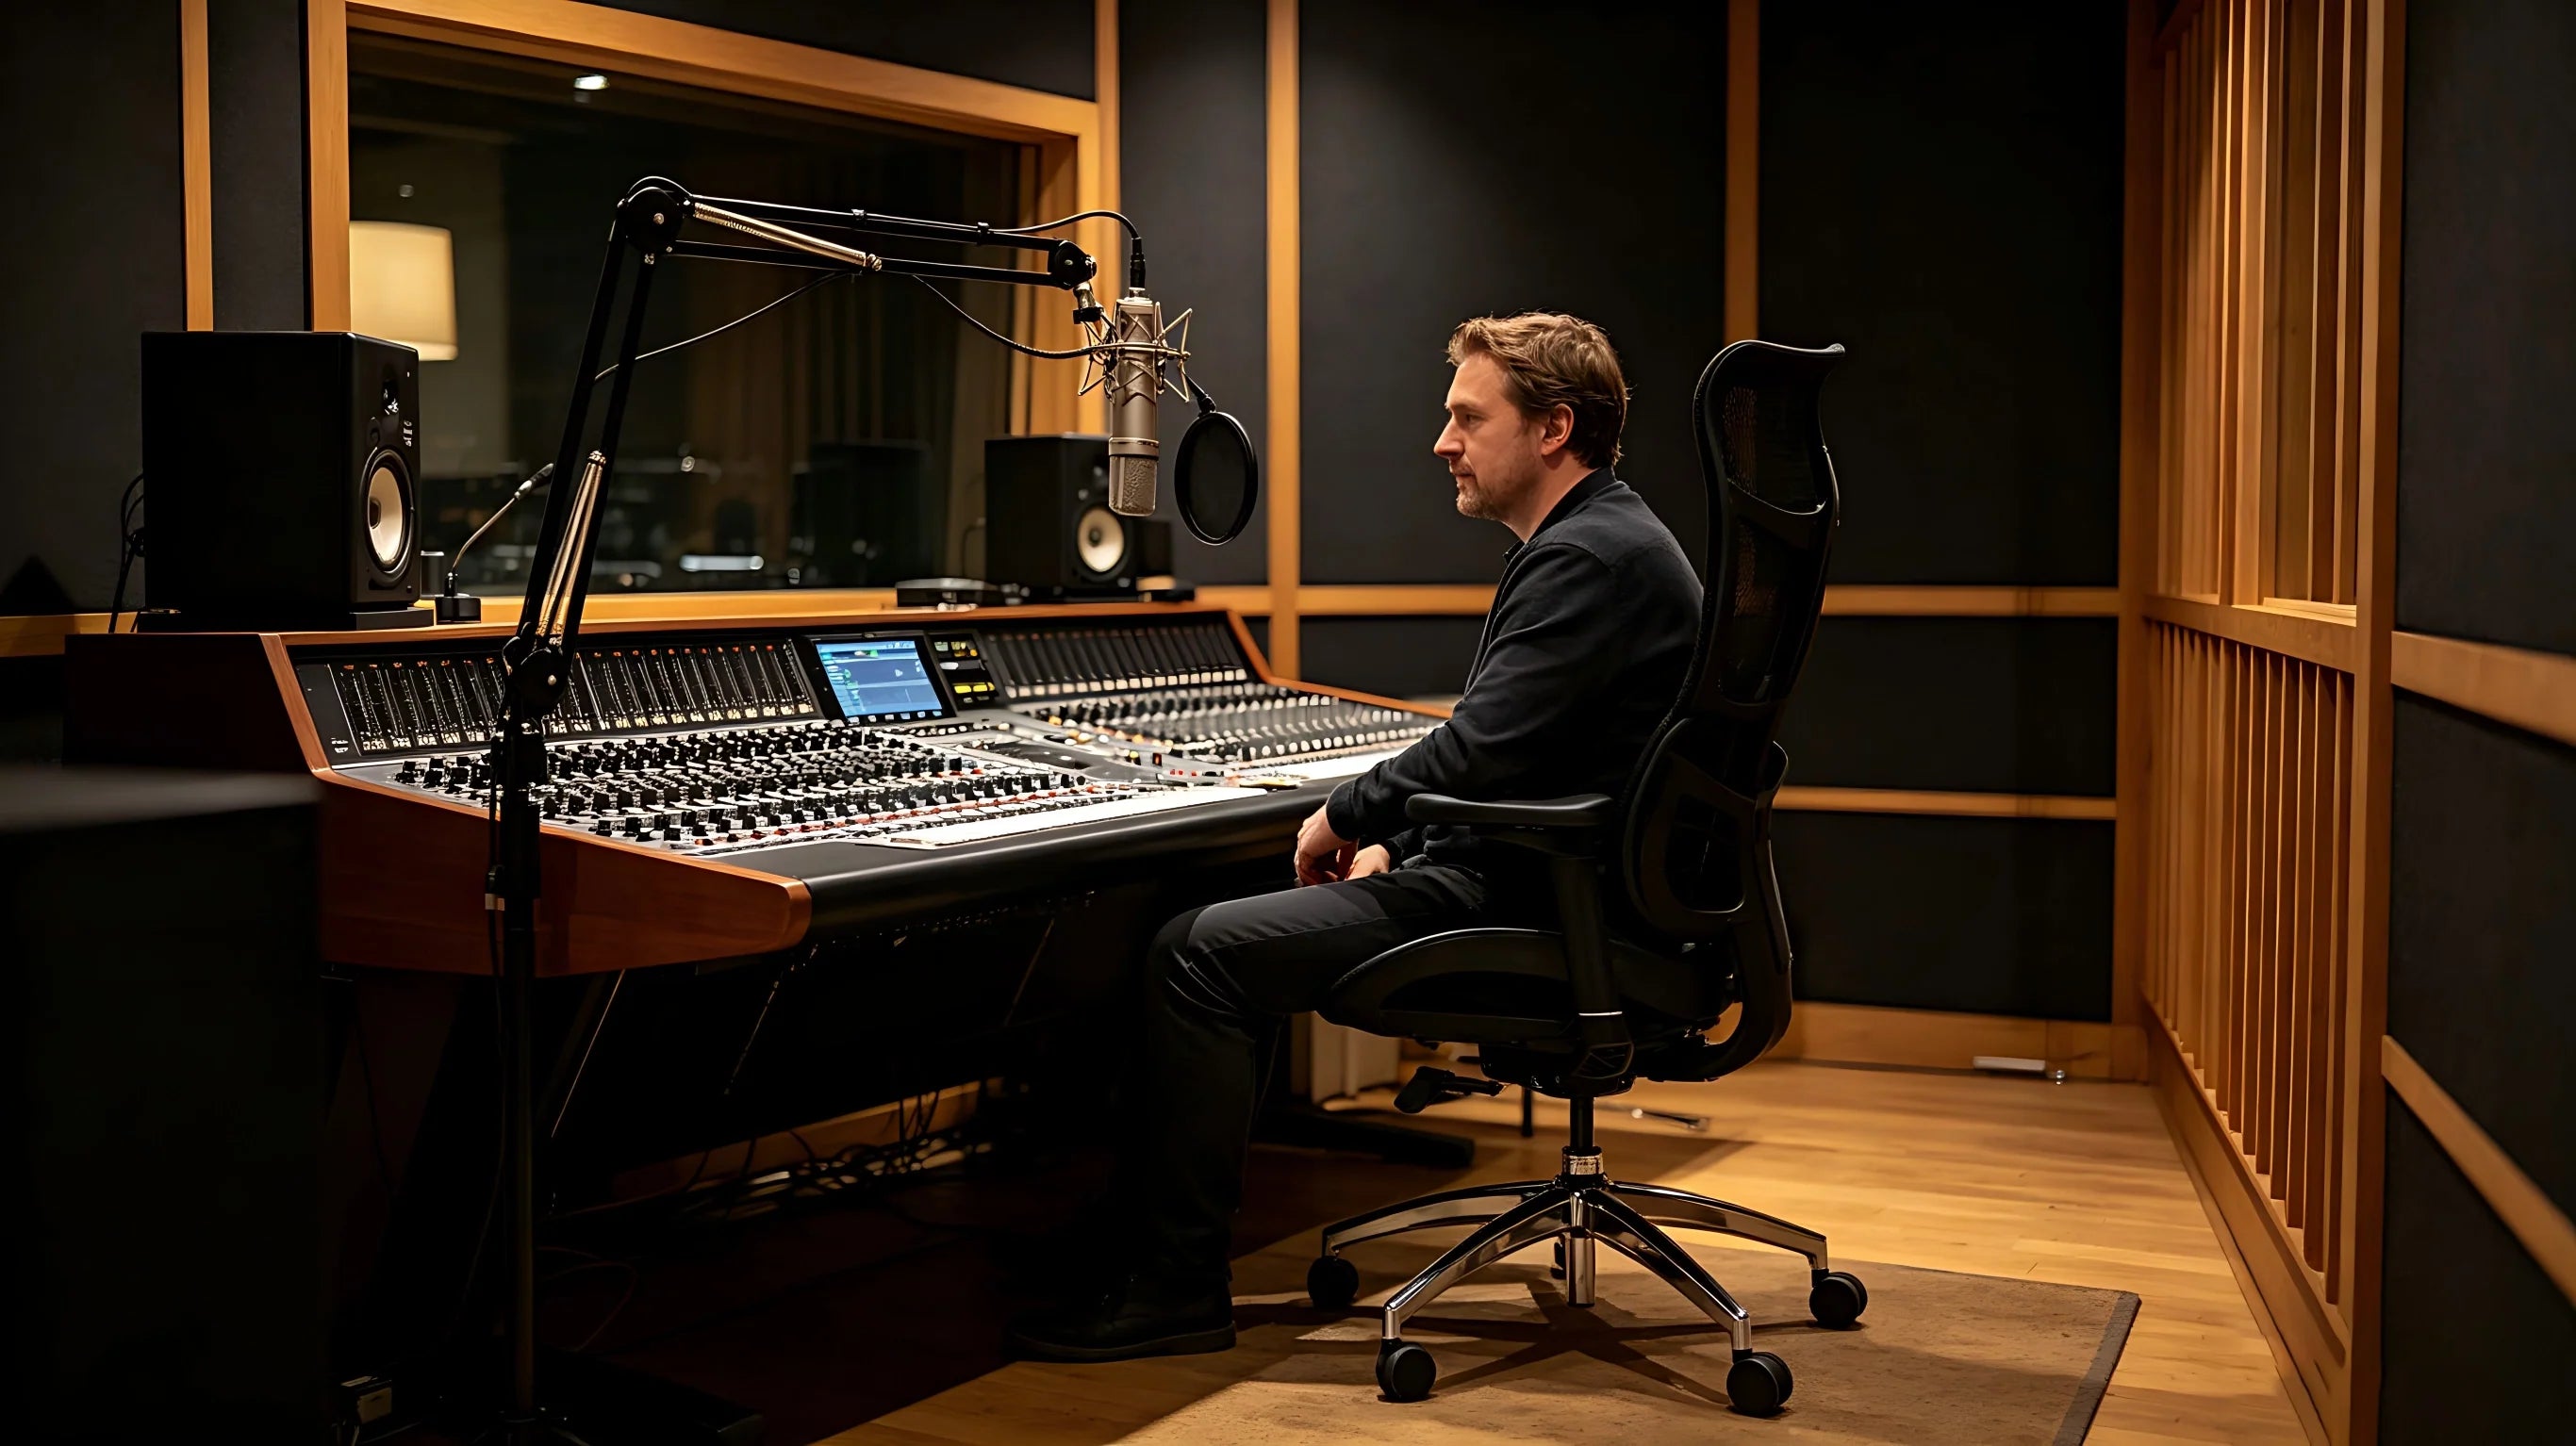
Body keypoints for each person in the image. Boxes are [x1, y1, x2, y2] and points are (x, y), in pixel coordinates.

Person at [1010, 311, 1704, 1362]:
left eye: (1468, 418)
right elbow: (1521, 755)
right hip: (1557, 881)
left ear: (1553, 428)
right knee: (1219, 926)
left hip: (1543, 903)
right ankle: (1134, 1236)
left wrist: (1350, 814)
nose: (1443, 442)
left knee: (1195, 953)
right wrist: (1402, 838)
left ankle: (1172, 1287)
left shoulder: (1589, 561)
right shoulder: (1608, 540)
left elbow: (1474, 754)